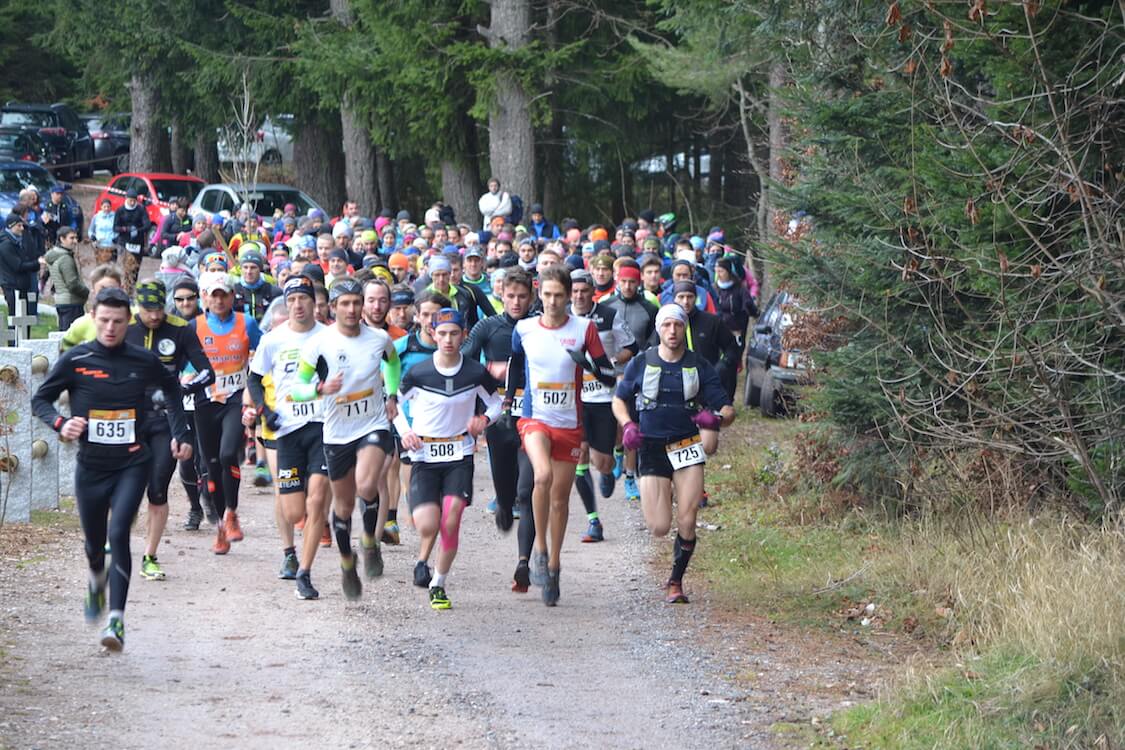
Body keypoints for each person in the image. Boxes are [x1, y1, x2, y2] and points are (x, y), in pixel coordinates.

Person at [32, 287, 193, 650]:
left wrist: (180, 432)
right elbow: (39, 399)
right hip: (90, 466)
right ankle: (95, 579)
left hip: (132, 462)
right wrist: (60, 424)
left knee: (118, 532)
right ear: (92, 316)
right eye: (104, 320)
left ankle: (116, 621)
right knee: (93, 544)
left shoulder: (142, 359)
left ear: (128, 321)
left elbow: (172, 390)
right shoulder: (77, 359)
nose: (110, 328)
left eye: (118, 322)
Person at [505, 266, 616, 606]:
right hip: (535, 420)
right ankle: (538, 549)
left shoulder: (585, 329)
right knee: (542, 476)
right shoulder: (524, 329)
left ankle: (554, 565)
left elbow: (609, 377)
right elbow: (515, 365)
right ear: (540, 293)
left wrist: (589, 364)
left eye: (559, 295)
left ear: (569, 296)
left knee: (559, 500)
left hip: (570, 424)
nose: (553, 302)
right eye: (547, 295)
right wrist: (509, 400)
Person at [613, 304, 734, 604]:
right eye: (666, 325)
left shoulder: (699, 365)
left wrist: (716, 419)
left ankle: (675, 581)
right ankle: (660, 494)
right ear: (658, 328)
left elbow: (728, 409)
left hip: (686, 445)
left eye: (677, 325)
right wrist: (628, 424)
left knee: (688, 518)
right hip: (652, 446)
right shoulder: (641, 362)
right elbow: (619, 400)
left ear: (684, 329)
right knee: (659, 527)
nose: (672, 331)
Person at [290, 278, 402, 600]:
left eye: (358, 303)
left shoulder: (378, 338)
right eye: (346, 304)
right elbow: (297, 387)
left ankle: (369, 540)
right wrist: (318, 389)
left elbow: (392, 363)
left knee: (367, 485)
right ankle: (346, 562)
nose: (353, 309)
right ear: (333, 308)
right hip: (337, 431)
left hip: (373, 423)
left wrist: (391, 394)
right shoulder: (319, 343)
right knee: (342, 505)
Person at [394, 308, 502, 609]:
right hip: (424, 456)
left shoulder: (475, 372)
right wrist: (406, 433)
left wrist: (484, 420)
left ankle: (438, 583)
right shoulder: (418, 373)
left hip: (459, 453)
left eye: (454, 333)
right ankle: (423, 557)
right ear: (433, 334)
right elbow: (394, 407)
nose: (448, 339)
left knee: (451, 517)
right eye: (442, 334)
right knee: (427, 525)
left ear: (464, 335)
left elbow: (497, 405)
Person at [248, 276, 330, 600]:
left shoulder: (330, 336)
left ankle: (305, 572)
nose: (298, 305)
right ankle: (295, 545)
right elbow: (254, 380)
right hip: (287, 429)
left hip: (323, 425)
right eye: (292, 299)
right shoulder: (273, 339)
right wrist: (263, 410)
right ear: (287, 303)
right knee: (295, 510)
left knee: (318, 498)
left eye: (304, 299)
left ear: (314, 303)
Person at [125, 281, 214, 580]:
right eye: (148, 310)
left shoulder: (179, 329)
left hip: (167, 417)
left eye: (158, 309)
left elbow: (206, 370)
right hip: (128, 417)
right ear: (139, 307)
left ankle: (150, 555)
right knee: (124, 486)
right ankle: (115, 541)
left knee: (157, 486)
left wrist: (181, 386)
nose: (154, 316)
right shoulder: (123, 326)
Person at [461, 268, 537, 591]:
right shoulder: (487, 327)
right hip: (499, 417)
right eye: (511, 296)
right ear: (501, 296)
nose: (517, 302)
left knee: (527, 491)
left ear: (531, 297)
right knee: (506, 492)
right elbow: (462, 361)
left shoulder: (539, 327)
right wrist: (488, 370)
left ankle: (523, 563)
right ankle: (504, 504)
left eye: (522, 296)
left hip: (534, 416)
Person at [191, 270, 262, 554]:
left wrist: (256, 397)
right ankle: (220, 525)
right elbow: (184, 362)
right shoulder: (194, 326)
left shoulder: (248, 323)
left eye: (224, 294)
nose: (219, 300)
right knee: (210, 466)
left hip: (235, 398)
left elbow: (262, 358)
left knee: (226, 454)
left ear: (233, 296)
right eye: (213, 295)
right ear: (205, 298)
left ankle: (231, 513)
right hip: (205, 401)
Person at [568, 270, 637, 541]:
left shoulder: (608, 315)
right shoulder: (561, 318)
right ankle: (593, 521)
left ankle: (615, 456)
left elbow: (631, 345)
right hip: (574, 398)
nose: (579, 295)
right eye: (574, 291)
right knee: (580, 455)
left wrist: (608, 364)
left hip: (603, 395)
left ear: (592, 291)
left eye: (584, 290)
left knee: (603, 463)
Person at [385, 290, 448, 546]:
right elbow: (385, 373)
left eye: (437, 315)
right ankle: (392, 519)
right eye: (425, 314)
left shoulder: (453, 348)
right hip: (404, 419)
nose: (431, 320)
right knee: (398, 466)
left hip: (439, 423)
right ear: (418, 317)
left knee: (421, 472)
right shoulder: (402, 346)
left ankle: (420, 511)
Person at [601, 261, 658, 502]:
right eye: (623, 281)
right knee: (615, 423)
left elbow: (654, 343)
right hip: (609, 373)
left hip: (637, 373)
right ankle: (617, 453)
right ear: (617, 281)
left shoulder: (649, 309)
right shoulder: (605, 307)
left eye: (632, 282)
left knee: (631, 424)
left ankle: (631, 477)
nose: (627, 286)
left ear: (639, 282)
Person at [60, 265, 124, 350]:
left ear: (121, 288)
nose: (108, 295)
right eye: (102, 290)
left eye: (112, 290)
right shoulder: (84, 322)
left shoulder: (135, 316)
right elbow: (65, 348)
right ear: (94, 292)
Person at [45, 228, 89, 330]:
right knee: (71, 338)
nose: (75, 241)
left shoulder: (56, 255)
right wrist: (85, 291)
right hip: (71, 303)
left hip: (62, 300)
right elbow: (72, 283)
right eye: (71, 238)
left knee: (64, 335)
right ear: (62, 239)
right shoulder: (65, 258)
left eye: (76, 238)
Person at [0, 214, 40, 321]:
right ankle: (15, 338)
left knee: (24, 316)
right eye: (19, 226)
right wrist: (37, 263)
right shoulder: (6, 245)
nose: (22, 229)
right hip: (12, 285)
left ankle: (23, 338)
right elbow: (18, 266)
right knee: (16, 317)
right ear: (10, 226)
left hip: (21, 284)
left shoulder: (17, 241)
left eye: (22, 225)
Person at [113, 189, 151, 291]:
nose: (132, 202)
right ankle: (124, 288)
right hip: (124, 242)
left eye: (134, 200)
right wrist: (125, 229)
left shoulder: (141, 209)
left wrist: (137, 230)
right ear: (126, 199)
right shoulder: (120, 210)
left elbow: (147, 225)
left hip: (137, 242)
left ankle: (131, 289)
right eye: (130, 200)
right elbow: (115, 227)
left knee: (135, 267)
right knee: (126, 267)